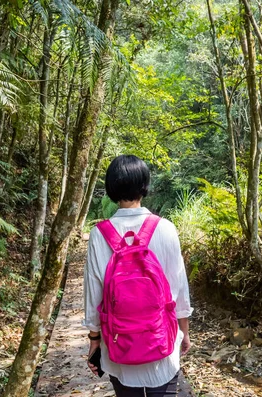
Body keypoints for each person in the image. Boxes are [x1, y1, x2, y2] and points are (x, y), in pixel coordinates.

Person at [83, 154, 193, 396]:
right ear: (145, 185)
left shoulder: (99, 235)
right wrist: (184, 331)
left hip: (118, 347)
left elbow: (94, 294)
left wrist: (94, 340)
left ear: (111, 188)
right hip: (161, 343)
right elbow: (179, 288)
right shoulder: (166, 228)